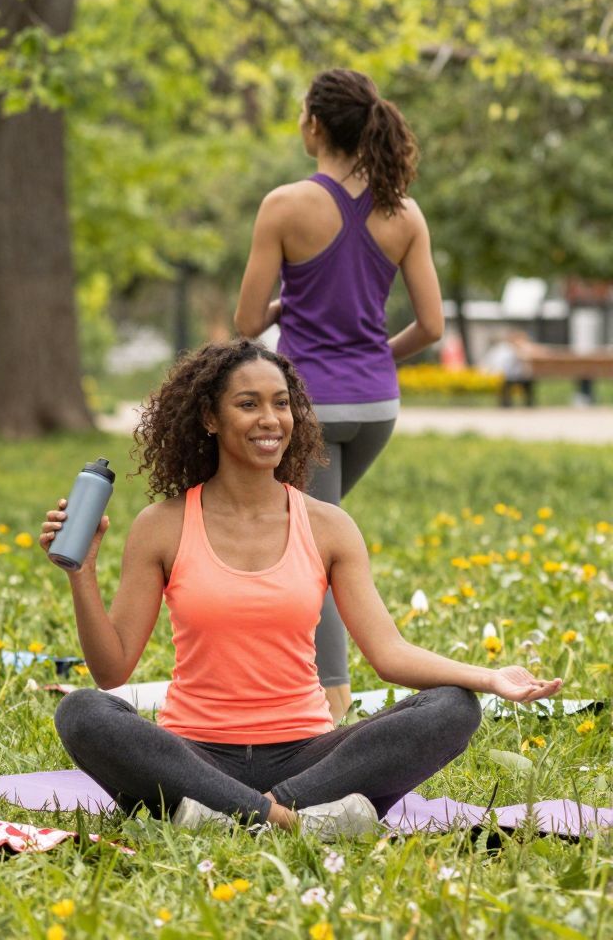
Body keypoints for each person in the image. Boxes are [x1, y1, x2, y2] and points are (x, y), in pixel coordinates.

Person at [44, 340, 560, 838]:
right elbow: (113, 671)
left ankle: (232, 815)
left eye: (282, 404)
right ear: (209, 418)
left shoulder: (328, 525)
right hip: (196, 755)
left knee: (453, 707)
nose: (271, 420)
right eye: (248, 404)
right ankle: (290, 821)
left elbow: (389, 653)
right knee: (82, 711)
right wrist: (82, 571)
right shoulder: (162, 524)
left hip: (310, 758)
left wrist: (490, 677)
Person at [234, 69, 443, 720]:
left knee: (310, 546)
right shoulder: (402, 211)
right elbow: (432, 328)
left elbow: (245, 325)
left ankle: (329, 700)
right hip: (377, 406)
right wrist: (374, 355)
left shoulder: (285, 206)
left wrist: (285, 303)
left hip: (309, 408)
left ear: (316, 126)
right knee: (304, 534)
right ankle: (286, 667)